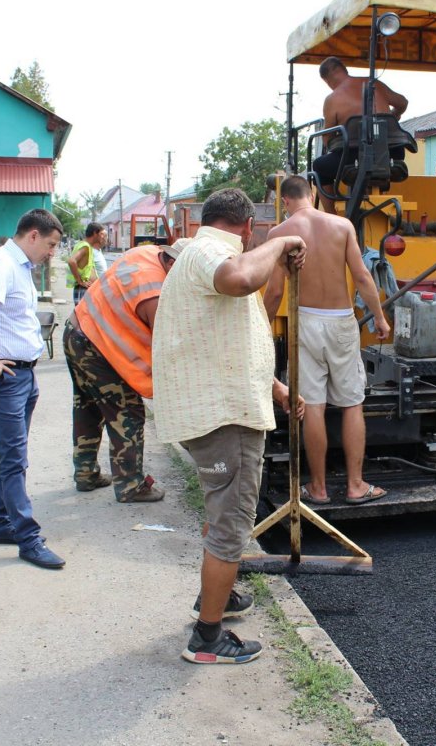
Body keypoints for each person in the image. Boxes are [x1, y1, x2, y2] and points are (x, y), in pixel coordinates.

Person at [153, 188, 306, 664]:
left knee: (222, 509)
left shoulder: (198, 255)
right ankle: (207, 639)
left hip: (219, 407)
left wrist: (276, 388)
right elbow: (240, 280)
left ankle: (216, 596)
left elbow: (225, 338)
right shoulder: (212, 252)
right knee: (231, 523)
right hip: (225, 418)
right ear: (247, 227)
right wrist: (279, 244)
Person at [264, 175, 391, 504]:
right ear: (312, 194)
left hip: (305, 321)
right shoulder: (342, 225)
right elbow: (362, 276)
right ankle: (356, 485)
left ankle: (318, 488)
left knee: (312, 406)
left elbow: (275, 292)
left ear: (285, 201)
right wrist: (379, 317)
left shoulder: (279, 234)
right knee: (351, 403)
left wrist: (261, 328)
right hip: (341, 321)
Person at [0, 209, 67, 569]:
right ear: (33, 235)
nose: (52, 253)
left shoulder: (20, 267)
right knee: (14, 460)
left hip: (22, 376)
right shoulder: (0, 264)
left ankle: (3, 523)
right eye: (51, 245)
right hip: (4, 379)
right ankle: (28, 538)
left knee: (6, 455)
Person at [63, 238, 190, 502]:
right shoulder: (155, 295)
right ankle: (130, 485)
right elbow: (166, 350)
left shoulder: (145, 252)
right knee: (128, 412)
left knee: (88, 406)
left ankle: (85, 474)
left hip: (76, 330)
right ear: (174, 264)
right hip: (97, 348)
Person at [312, 56, 408, 212]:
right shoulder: (374, 84)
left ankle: (332, 216)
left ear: (326, 80)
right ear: (344, 70)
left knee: (318, 166)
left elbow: (327, 140)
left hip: (354, 157)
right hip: (393, 154)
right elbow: (403, 102)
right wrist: (394, 115)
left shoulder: (332, 99)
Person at [67, 221, 106, 303]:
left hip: (86, 289)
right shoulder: (85, 246)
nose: (103, 237)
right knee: (82, 311)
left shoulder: (86, 246)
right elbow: (71, 261)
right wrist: (80, 281)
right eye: (101, 234)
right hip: (83, 289)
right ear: (95, 233)